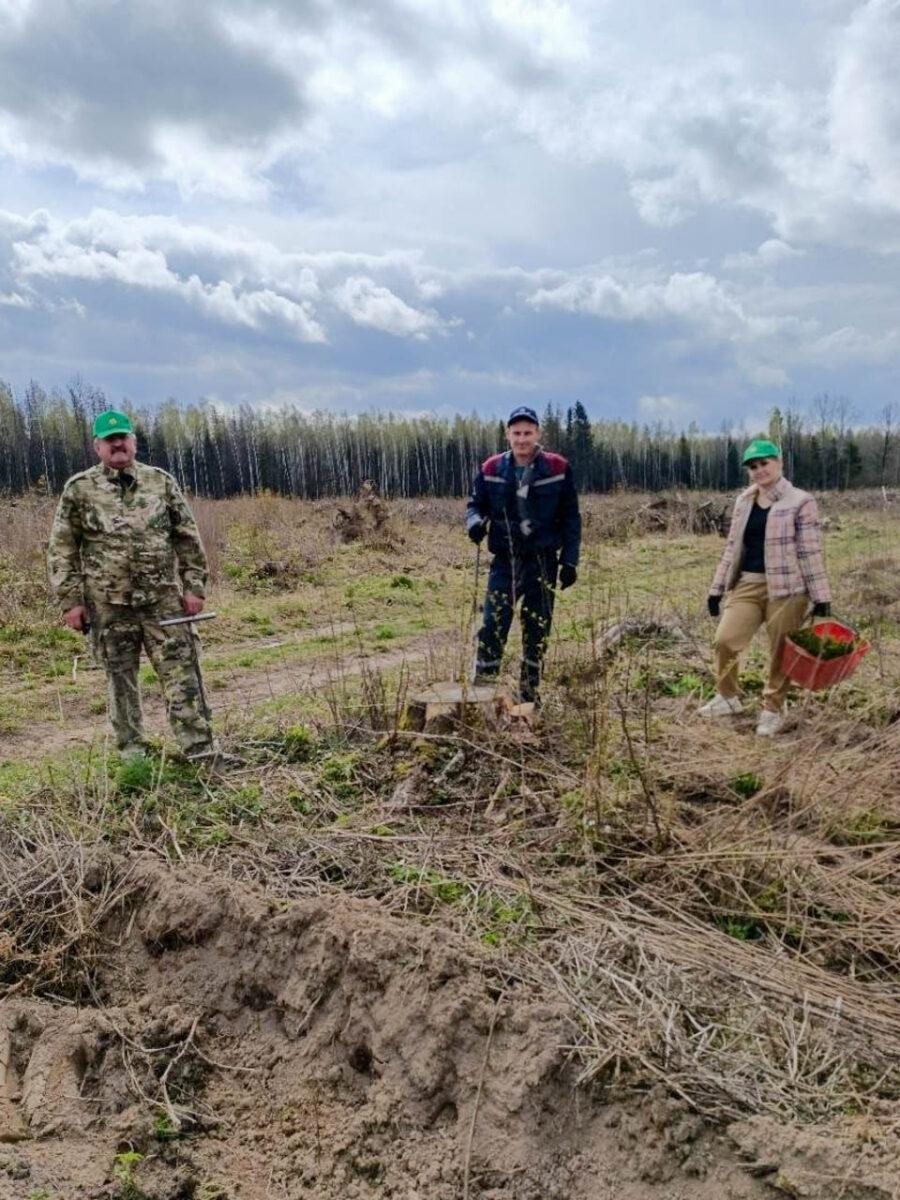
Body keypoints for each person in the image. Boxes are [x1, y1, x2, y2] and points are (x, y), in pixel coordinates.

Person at [47, 409, 217, 760]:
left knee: (182, 673)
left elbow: (187, 537)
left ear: (134, 443)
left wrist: (194, 587)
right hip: (108, 607)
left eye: (123, 437)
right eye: (110, 440)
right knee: (120, 680)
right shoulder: (79, 490)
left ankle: (199, 749)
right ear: (98, 447)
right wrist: (70, 601)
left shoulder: (160, 482)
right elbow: (62, 549)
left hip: (162, 602)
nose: (118, 444)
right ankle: (134, 754)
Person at [701, 438, 832, 736]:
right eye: (753, 466)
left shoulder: (801, 501)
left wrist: (821, 596)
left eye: (764, 463)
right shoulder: (744, 501)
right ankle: (728, 697)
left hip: (788, 590)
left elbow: (810, 552)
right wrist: (716, 588)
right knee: (725, 639)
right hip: (748, 583)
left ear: (779, 463)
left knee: (780, 650)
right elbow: (733, 547)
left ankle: (773, 708)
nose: (759, 470)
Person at [466, 405, 581, 705]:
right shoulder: (490, 469)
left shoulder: (558, 468)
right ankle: (483, 693)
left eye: (527, 432)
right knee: (492, 625)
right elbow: (475, 505)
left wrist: (570, 560)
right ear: (508, 435)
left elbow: (571, 517)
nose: (522, 439)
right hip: (505, 563)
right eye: (516, 433)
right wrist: (475, 524)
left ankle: (529, 696)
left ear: (538, 434)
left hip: (543, 562)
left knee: (537, 629)